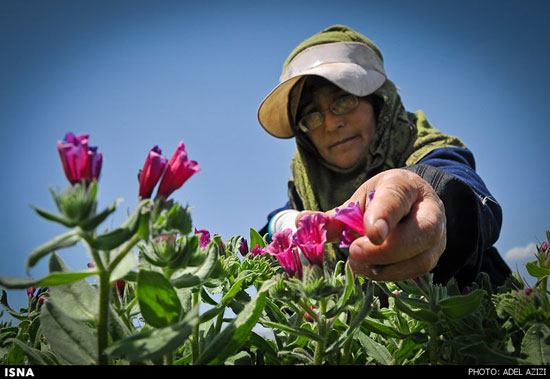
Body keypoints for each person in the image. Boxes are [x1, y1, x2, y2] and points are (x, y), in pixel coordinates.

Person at [257, 25, 511, 290]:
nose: (331, 124)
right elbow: (270, 230)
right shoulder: (305, 188)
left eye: (343, 100)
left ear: (378, 102)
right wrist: (283, 223)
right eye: (311, 116)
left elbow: (457, 184)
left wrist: (429, 197)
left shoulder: (428, 147)